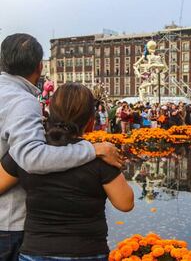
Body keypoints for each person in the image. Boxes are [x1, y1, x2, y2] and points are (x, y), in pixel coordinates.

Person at [0, 33, 123, 261]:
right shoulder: (22, 100)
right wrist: (93, 150)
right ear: (39, 66)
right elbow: (32, 158)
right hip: (9, 222)